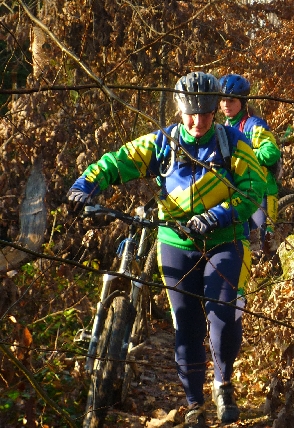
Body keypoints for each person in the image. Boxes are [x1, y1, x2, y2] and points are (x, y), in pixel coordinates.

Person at [67, 71, 268, 427]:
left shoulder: (234, 144)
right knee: (186, 326)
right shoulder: (163, 143)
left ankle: (223, 382)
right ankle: (194, 403)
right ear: (178, 108)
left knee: (223, 320)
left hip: (225, 242)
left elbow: (254, 190)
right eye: (191, 113)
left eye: (206, 113)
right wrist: (86, 185)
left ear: (215, 110)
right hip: (176, 243)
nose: (198, 121)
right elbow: (120, 160)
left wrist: (216, 216)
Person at [219, 74, 282, 254]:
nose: (225, 105)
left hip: (262, 191)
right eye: (222, 100)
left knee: (262, 247)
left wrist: (245, 155)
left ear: (242, 101)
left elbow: (271, 152)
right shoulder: (225, 126)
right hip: (240, 192)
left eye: (230, 100)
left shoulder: (253, 125)